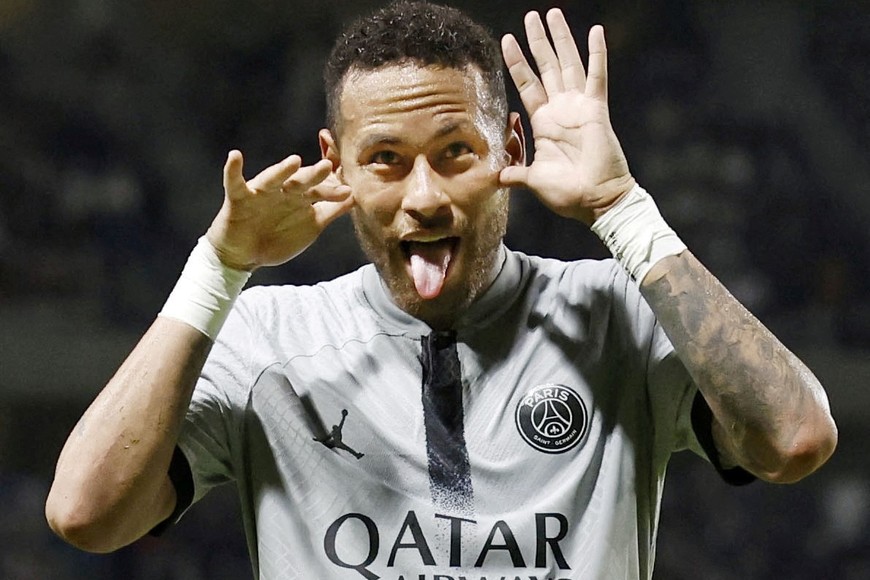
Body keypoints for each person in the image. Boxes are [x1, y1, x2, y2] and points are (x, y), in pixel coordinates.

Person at [45, 2, 837, 579]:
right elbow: (87, 515)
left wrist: (624, 212)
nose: (423, 196)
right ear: (338, 163)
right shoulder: (266, 337)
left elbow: (795, 439)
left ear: (511, 147)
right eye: (385, 157)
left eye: (456, 151)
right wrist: (216, 271)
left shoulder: (615, 312)